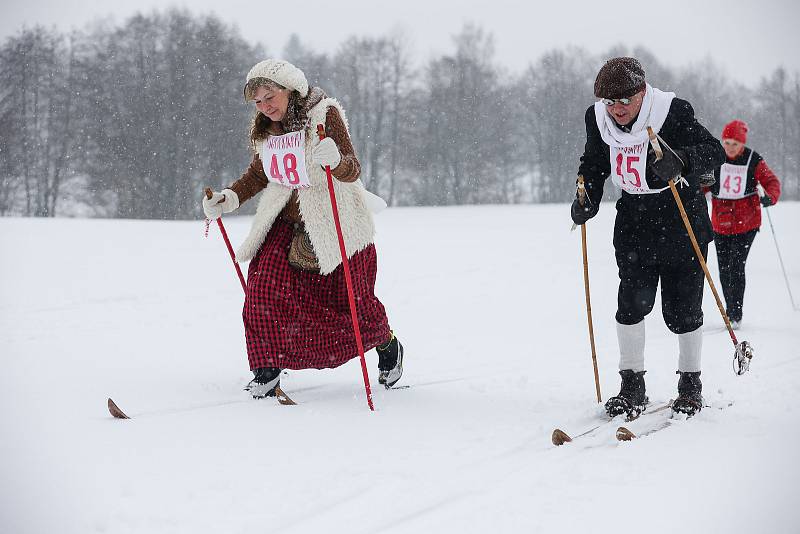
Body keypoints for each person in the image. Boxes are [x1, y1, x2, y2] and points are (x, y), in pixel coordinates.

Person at [202, 59, 404, 399]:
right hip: (286, 225)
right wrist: (229, 198)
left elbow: (352, 170)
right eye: (258, 102)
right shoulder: (269, 131)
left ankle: (386, 343)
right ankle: (266, 368)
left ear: (290, 90)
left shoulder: (325, 115)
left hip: (335, 224)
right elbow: (259, 173)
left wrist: (336, 160)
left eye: (270, 96)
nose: (266, 106)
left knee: (352, 305)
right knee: (262, 289)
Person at [571, 57, 725, 417]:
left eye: (625, 101)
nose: (617, 110)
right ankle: (631, 384)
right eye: (610, 102)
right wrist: (587, 196)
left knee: (682, 310)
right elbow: (594, 163)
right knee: (631, 304)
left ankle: (690, 384)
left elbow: (713, 152)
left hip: (679, 217)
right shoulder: (598, 119)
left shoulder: (671, 112)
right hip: (634, 221)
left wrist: (683, 160)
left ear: (642, 92)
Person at [706, 120, 781, 329]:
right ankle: (730, 310)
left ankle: (735, 314)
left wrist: (770, 197)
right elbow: (703, 183)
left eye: (735, 144)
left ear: (742, 144)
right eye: (727, 142)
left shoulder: (753, 160)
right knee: (724, 268)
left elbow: (772, 182)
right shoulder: (715, 157)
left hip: (746, 223)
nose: (730, 148)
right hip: (720, 223)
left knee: (736, 267)